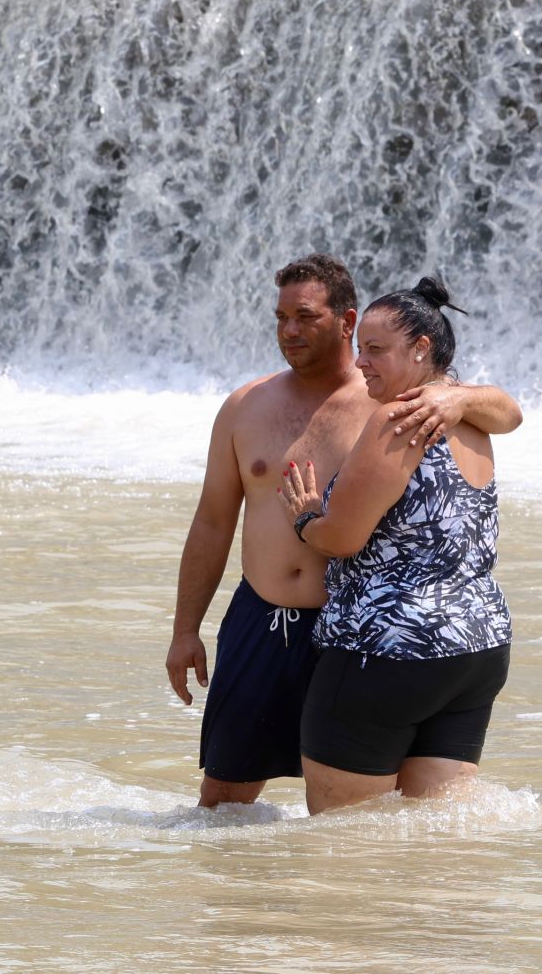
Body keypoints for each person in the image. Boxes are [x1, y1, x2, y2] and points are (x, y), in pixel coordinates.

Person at [165, 255, 521, 808]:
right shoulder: (245, 407)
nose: (289, 330)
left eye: (305, 316)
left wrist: (461, 395)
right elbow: (212, 521)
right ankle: (237, 897)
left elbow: (506, 409)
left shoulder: (397, 401)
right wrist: (185, 630)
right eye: (280, 317)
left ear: (346, 320)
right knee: (225, 800)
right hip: (269, 623)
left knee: (357, 813)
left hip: (362, 636)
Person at [280, 277, 512, 814]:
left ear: (421, 349)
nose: (361, 363)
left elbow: (341, 539)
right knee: (428, 844)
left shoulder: (397, 419)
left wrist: (306, 518)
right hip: (474, 648)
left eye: (376, 349)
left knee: (344, 842)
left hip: (386, 650)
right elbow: (510, 410)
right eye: (360, 348)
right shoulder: (471, 417)